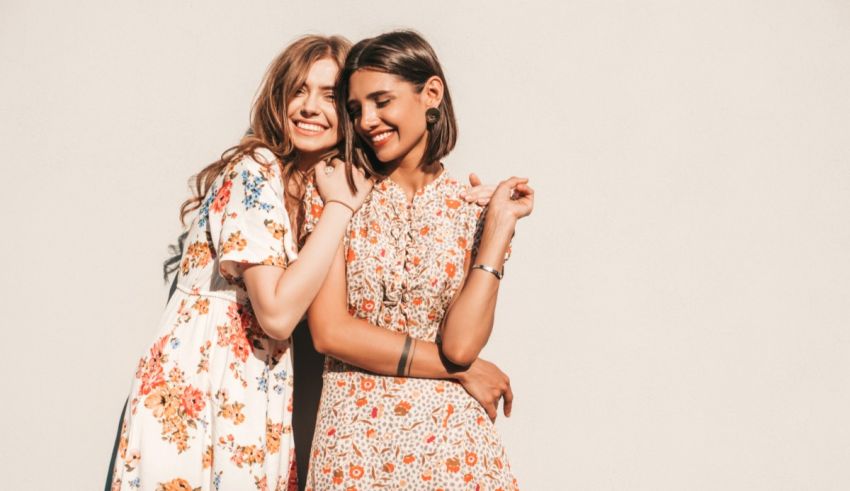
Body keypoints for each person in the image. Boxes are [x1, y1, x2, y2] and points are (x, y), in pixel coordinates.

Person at [111, 33, 511, 491]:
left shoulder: (312, 189)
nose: (308, 106)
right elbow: (281, 316)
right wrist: (341, 207)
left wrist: (480, 220)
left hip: (255, 393)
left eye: (329, 96)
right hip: (200, 394)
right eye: (298, 90)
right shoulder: (256, 170)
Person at [305, 30, 533, 490]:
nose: (367, 120)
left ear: (431, 93)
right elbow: (330, 332)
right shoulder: (337, 192)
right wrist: (463, 372)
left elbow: (462, 346)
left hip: (452, 450)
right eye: (356, 109)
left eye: (381, 101)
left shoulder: (471, 210)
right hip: (354, 449)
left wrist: (497, 230)